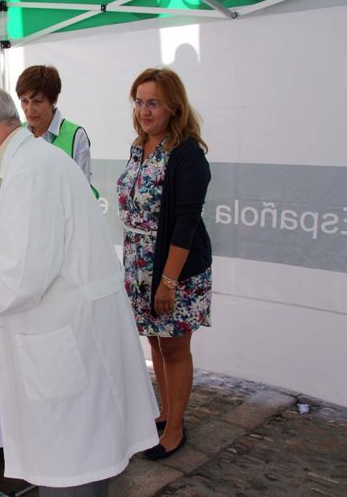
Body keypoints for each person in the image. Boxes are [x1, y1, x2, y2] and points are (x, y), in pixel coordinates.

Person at [0, 84, 158, 496]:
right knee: (80, 474)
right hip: (74, 346)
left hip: (70, 359)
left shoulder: (30, 172)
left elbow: (20, 283)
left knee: (72, 479)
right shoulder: (34, 163)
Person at [117, 67, 212, 460]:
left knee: (175, 349)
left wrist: (168, 282)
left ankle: (175, 429)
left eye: (153, 102)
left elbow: (186, 223)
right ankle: (165, 411)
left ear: (174, 106)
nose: (144, 110)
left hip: (173, 270)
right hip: (140, 267)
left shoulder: (187, 154)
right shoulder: (140, 146)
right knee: (155, 342)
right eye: (139, 101)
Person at [15, 64, 97, 196]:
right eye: (24, 101)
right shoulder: (18, 133)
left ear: (53, 100)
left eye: (37, 101)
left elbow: (82, 191)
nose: (29, 109)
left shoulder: (76, 136)